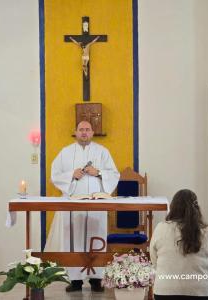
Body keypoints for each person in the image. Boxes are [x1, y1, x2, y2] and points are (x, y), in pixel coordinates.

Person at [46, 120, 120, 292]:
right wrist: (71, 175)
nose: (84, 132)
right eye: (81, 130)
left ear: (92, 133)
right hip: (73, 206)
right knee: (73, 239)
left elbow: (115, 174)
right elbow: (54, 175)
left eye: (87, 130)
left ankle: (96, 279)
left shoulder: (102, 152)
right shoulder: (65, 152)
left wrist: (99, 172)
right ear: (76, 132)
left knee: (96, 238)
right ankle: (75, 280)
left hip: (96, 205)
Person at [150, 189, 208, 300]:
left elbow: (154, 259)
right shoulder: (207, 231)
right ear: (196, 208)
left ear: (173, 207)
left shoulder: (161, 227)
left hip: (165, 291)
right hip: (200, 292)